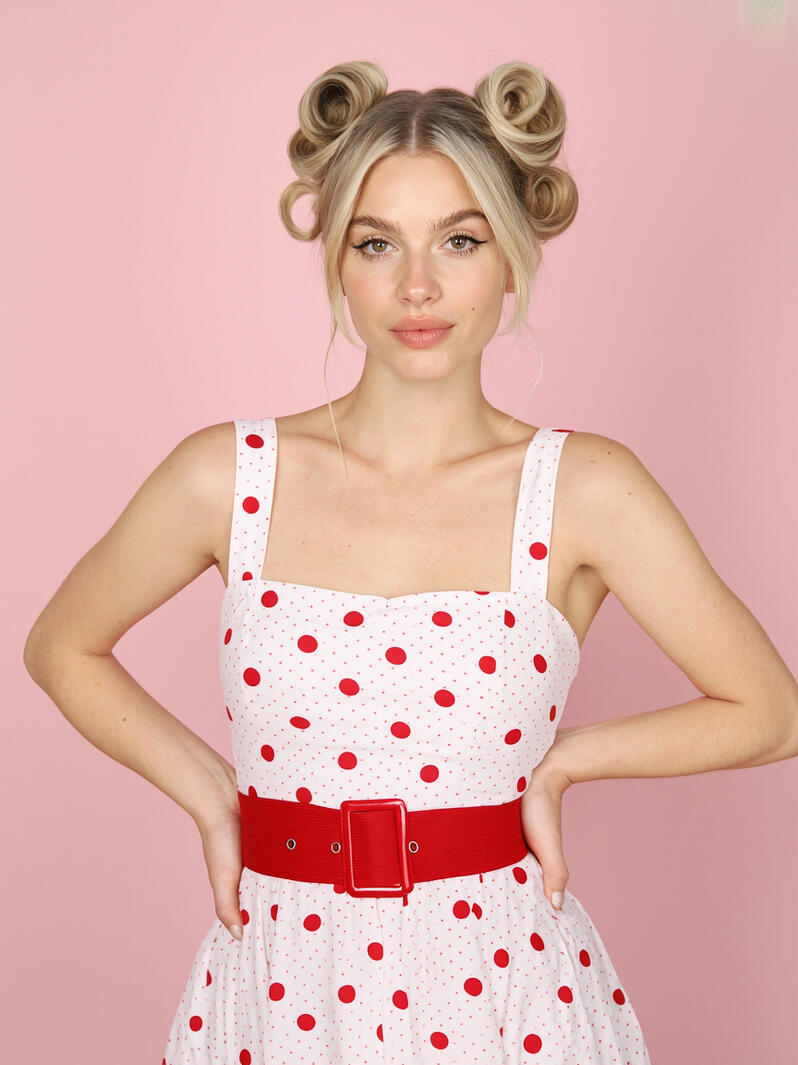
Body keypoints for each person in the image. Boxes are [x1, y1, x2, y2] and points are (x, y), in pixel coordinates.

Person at [23, 59, 798, 1065]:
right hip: (278, 990)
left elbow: (771, 711)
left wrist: (567, 766)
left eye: (461, 241)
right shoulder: (229, 474)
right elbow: (61, 646)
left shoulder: (584, 489)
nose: (418, 285)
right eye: (377, 244)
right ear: (337, 263)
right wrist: (213, 795)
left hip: (505, 999)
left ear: (513, 258)